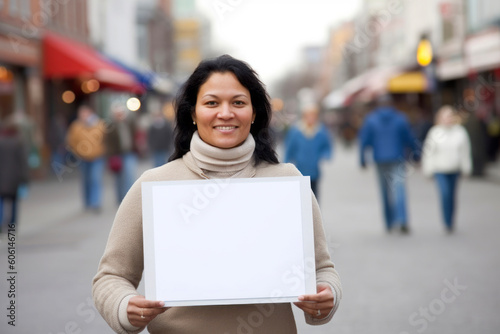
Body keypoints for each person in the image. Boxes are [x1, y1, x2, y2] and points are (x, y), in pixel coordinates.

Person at [92, 55, 342, 334]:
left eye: (238, 102)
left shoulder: (285, 182)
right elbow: (111, 276)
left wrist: (326, 296)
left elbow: (322, 268)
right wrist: (125, 306)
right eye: (212, 103)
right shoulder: (155, 185)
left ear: (254, 112)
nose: (226, 113)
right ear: (193, 113)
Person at [359, 95, 418, 234]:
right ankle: (402, 219)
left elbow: (364, 140)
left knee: (384, 191)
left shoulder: (371, 119)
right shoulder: (400, 118)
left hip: (380, 159)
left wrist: (362, 159)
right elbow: (409, 137)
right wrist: (416, 154)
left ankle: (389, 222)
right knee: (399, 190)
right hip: (397, 157)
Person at [421, 105, 472, 233]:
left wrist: (466, 167)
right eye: (445, 116)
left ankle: (451, 220)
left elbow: (465, 151)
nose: (448, 119)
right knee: (444, 194)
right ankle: (446, 221)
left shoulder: (460, 132)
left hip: (454, 169)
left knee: (452, 196)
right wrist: (428, 169)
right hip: (440, 169)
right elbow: (428, 153)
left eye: (450, 116)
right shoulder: (435, 132)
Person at [284, 103, 333, 199]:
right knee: (302, 196)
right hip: (299, 169)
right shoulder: (296, 131)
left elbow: (327, 146)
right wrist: (285, 163)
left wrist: (325, 155)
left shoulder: (320, 130)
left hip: (314, 170)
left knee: (314, 196)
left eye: (313, 115)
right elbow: (290, 148)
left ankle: (314, 213)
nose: (311, 118)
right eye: (308, 115)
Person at [66, 104, 106, 212]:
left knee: (95, 179)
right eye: (81, 113)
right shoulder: (76, 126)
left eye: (85, 113)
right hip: (82, 158)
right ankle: (87, 202)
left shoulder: (99, 124)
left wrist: (102, 151)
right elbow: (71, 141)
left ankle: (95, 202)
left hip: (97, 157)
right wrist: (77, 151)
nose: (83, 116)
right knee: (86, 181)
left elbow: (104, 140)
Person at [106, 104, 138, 204]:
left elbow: (136, 135)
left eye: (121, 113)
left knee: (129, 176)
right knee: (118, 178)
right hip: (117, 155)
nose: (119, 115)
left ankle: (128, 199)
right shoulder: (110, 126)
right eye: (117, 114)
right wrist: (111, 155)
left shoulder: (129, 123)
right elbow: (108, 142)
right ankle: (120, 199)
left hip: (129, 153)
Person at [0, 123, 28, 234]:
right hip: (14, 179)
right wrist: (25, 178)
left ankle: (1, 223)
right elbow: (23, 162)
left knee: (1, 202)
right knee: (14, 203)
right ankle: (12, 225)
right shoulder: (19, 143)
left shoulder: (1, 143)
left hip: (1, 179)